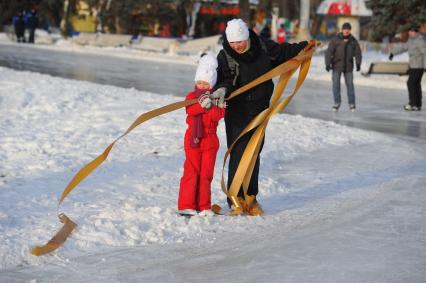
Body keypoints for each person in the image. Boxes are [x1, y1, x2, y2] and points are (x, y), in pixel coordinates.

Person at [211, 18, 308, 216]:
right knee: (238, 153)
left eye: (240, 41)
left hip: (260, 110)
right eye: (233, 42)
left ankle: (251, 198)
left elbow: (283, 53)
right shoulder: (225, 56)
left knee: (254, 153)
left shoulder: (263, 47)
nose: (237, 46)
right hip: (237, 111)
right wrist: (221, 89)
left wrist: (305, 46)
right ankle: (234, 198)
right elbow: (223, 80)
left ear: (247, 38)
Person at [177, 53, 226, 216]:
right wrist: (201, 106)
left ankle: (204, 206)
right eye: (199, 82)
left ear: (211, 84)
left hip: (210, 140)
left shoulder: (216, 99)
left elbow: (217, 116)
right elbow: (190, 110)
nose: (202, 86)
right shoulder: (191, 96)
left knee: (206, 174)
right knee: (192, 172)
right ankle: (186, 205)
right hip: (193, 139)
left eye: (205, 84)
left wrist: (213, 106)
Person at [325, 22, 362, 112]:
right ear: (342, 30)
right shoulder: (335, 39)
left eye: (348, 29)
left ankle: (352, 104)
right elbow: (329, 52)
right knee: (336, 85)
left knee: (350, 85)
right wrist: (327, 63)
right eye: (345, 29)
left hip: (348, 67)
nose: (346, 31)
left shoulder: (353, 40)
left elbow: (358, 53)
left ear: (349, 30)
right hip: (337, 66)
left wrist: (358, 63)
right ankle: (337, 103)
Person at [389, 25, 426, 111]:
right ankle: (417, 104)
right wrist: (392, 53)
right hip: (413, 66)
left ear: (415, 32)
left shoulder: (420, 41)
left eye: (411, 31)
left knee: (411, 83)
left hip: (418, 67)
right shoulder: (411, 40)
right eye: (409, 31)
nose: (409, 32)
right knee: (416, 84)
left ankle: (413, 104)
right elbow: (403, 47)